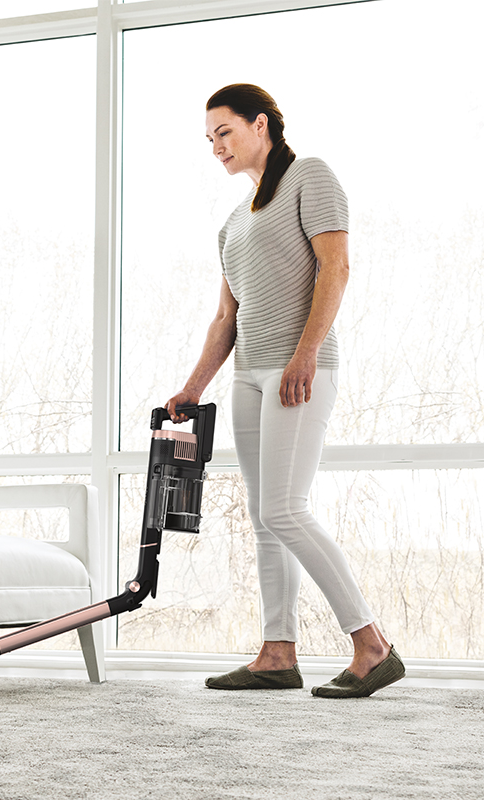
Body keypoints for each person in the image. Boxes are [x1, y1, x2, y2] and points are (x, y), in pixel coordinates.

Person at [166, 84, 405, 698]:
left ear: (261, 124)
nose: (216, 147)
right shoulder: (232, 223)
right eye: (209, 138)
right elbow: (227, 318)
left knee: (283, 509)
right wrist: (192, 387)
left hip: (298, 369)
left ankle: (372, 645)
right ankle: (277, 654)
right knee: (264, 516)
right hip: (249, 374)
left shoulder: (310, 177)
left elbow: (336, 268)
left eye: (224, 132)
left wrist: (305, 354)